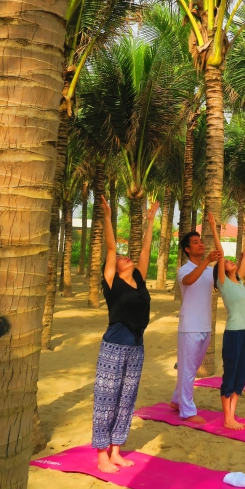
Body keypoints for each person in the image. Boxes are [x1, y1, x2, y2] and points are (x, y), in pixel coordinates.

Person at [92, 194, 159, 473]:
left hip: (136, 349)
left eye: (124, 256)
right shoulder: (112, 284)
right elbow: (110, 247)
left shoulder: (139, 279)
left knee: (126, 399)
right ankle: (102, 455)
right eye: (120, 258)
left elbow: (145, 249)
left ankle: (116, 450)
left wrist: (151, 221)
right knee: (106, 400)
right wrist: (108, 217)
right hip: (114, 348)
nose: (124, 257)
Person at [170, 227, 221, 422]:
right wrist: (207, 260)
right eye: (195, 242)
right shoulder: (184, 269)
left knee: (192, 368)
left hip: (205, 325)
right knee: (187, 369)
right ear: (187, 249)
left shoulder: (209, 270)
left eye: (200, 241)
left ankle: (177, 400)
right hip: (190, 326)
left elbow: (223, 279)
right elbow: (189, 281)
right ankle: (187, 411)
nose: (200, 244)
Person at [207, 212, 245, 429]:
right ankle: (227, 418)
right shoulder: (223, 282)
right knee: (231, 372)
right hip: (234, 332)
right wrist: (214, 227)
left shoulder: (239, 280)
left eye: (230, 261)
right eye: (226, 262)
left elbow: (244, 256)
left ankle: (231, 416)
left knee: (241, 375)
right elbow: (221, 254)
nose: (230, 262)